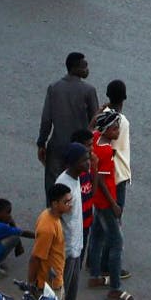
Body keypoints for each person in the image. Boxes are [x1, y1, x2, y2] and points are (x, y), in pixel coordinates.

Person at [38, 52, 98, 199]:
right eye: (84, 66)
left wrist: (41, 143)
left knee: (53, 190)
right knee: (77, 190)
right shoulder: (89, 91)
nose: (87, 69)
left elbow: (46, 119)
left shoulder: (54, 88)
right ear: (75, 68)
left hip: (57, 147)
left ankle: (53, 220)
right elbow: (95, 120)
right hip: (79, 150)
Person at [85, 111, 129, 297]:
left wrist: (94, 120)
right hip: (106, 202)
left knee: (96, 236)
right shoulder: (103, 150)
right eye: (114, 128)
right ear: (106, 130)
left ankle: (95, 275)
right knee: (116, 243)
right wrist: (114, 205)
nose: (118, 131)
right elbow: (101, 181)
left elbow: (89, 131)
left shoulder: (95, 139)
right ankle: (115, 288)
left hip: (98, 201)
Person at [54, 142, 91, 300]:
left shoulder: (76, 178)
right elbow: (55, 217)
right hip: (66, 250)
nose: (88, 162)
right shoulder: (63, 186)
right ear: (74, 163)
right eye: (84, 160)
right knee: (61, 290)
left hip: (76, 245)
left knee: (71, 291)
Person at [29, 182, 70, 299]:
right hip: (48, 286)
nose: (70, 205)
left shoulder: (53, 216)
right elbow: (35, 258)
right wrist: (31, 285)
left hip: (55, 280)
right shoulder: (47, 228)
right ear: (55, 203)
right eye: (66, 202)